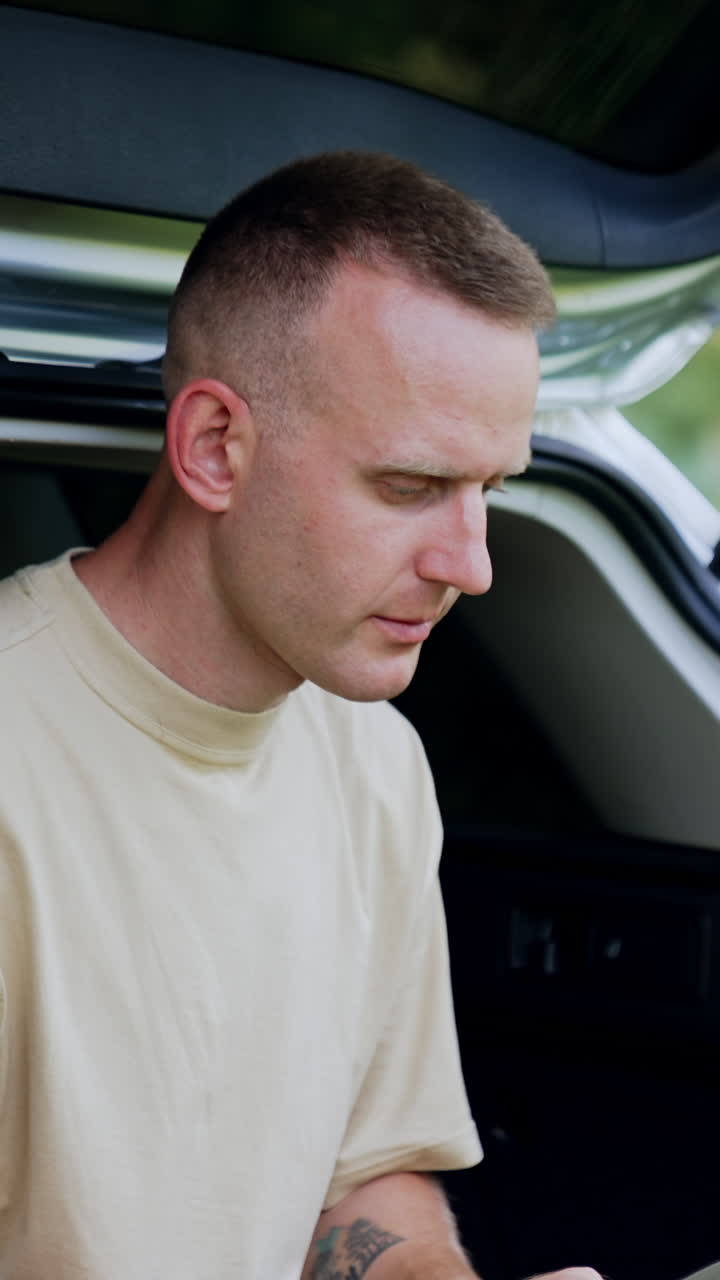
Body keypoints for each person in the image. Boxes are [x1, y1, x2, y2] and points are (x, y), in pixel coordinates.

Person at [0, 152, 600, 1280]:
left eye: (494, 490)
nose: (471, 565)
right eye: (413, 486)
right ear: (216, 448)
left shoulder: (373, 761)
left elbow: (364, 1188)